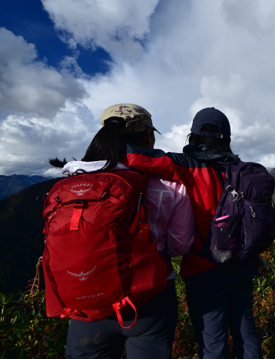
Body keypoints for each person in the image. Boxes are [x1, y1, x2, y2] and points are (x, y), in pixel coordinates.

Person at [49, 103, 194, 359]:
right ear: (147, 135)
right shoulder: (168, 185)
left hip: (87, 301)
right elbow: (181, 246)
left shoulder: (71, 182)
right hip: (149, 300)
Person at [121, 107, 262, 359]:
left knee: (212, 342)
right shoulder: (240, 169)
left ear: (193, 136)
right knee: (246, 330)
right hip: (243, 264)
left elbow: (134, 157)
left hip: (203, 269)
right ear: (227, 139)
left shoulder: (183, 166)